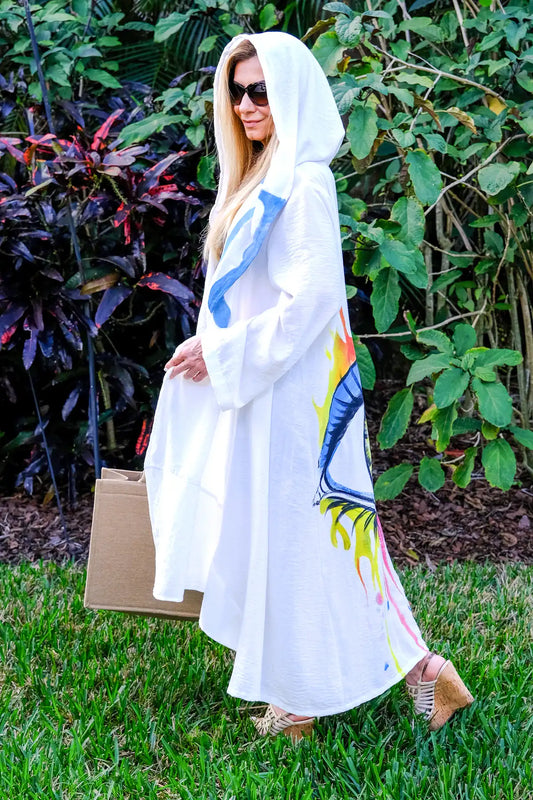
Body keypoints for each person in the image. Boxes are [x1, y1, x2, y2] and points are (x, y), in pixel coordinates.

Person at [144, 31, 474, 741]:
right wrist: (218, 352)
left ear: (291, 91)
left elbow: (314, 299)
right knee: (316, 540)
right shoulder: (263, 176)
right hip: (272, 390)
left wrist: (221, 352)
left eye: (260, 90)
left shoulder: (303, 182)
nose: (245, 105)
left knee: (301, 540)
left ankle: (301, 703)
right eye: (236, 91)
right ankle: (423, 672)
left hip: (298, 400)